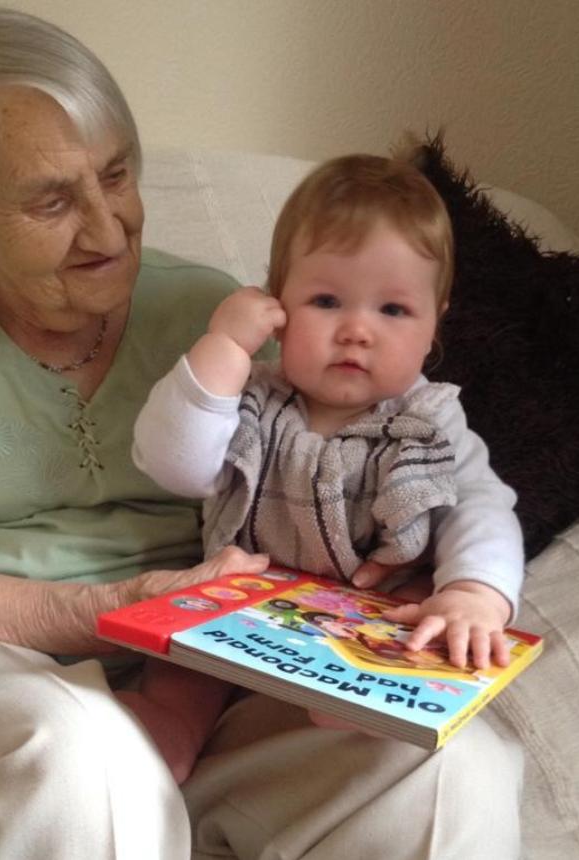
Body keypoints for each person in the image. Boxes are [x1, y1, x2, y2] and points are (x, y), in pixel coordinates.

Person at [0, 8, 525, 860]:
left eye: (117, 175)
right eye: (51, 200)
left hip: (201, 670)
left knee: (454, 769)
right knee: (83, 761)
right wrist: (100, 612)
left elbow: (378, 451)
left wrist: (429, 570)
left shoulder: (212, 309)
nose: (107, 229)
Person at [128, 152, 525, 783]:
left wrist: (475, 593)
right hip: (245, 606)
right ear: (276, 304)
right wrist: (223, 348)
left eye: (393, 310)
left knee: (418, 630)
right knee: (181, 657)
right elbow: (175, 466)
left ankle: (363, 707)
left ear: (434, 325)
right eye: (326, 300)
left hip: (372, 612)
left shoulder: (428, 421)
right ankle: (171, 727)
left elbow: (480, 504)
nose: (356, 331)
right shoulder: (252, 399)